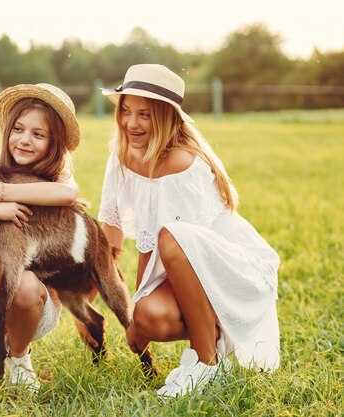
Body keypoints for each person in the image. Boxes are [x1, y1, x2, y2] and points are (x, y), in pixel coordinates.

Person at [96, 64, 280, 398]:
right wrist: (126, 312)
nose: (131, 123)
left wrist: (137, 305)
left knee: (172, 236)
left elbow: (171, 245)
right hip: (185, 268)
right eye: (126, 111)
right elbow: (115, 239)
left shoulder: (180, 162)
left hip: (231, 269)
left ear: (167, 117)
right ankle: (217, 336)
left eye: (145, 115)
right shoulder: (122, 156)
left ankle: (207, 363)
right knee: (148, 316)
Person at [0, 83, 81, 406]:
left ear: (54, 144)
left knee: (23, 281)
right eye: (18, 129)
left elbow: (69, 194)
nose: (24, 139)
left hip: (33, 305)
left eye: (39, 134)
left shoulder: (52, 183)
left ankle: (19, 358)